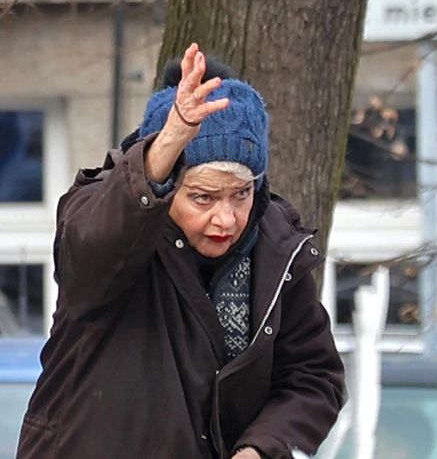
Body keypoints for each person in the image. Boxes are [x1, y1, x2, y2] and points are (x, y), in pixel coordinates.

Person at [17, 42, 345, 459]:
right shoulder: (108, 212)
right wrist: (167, 146)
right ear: (168, 183)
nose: (225, 219)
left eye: (240, 195)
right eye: (203, 198)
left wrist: (263, 447)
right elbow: (91, 254)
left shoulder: (276, 247)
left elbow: (313, 376)